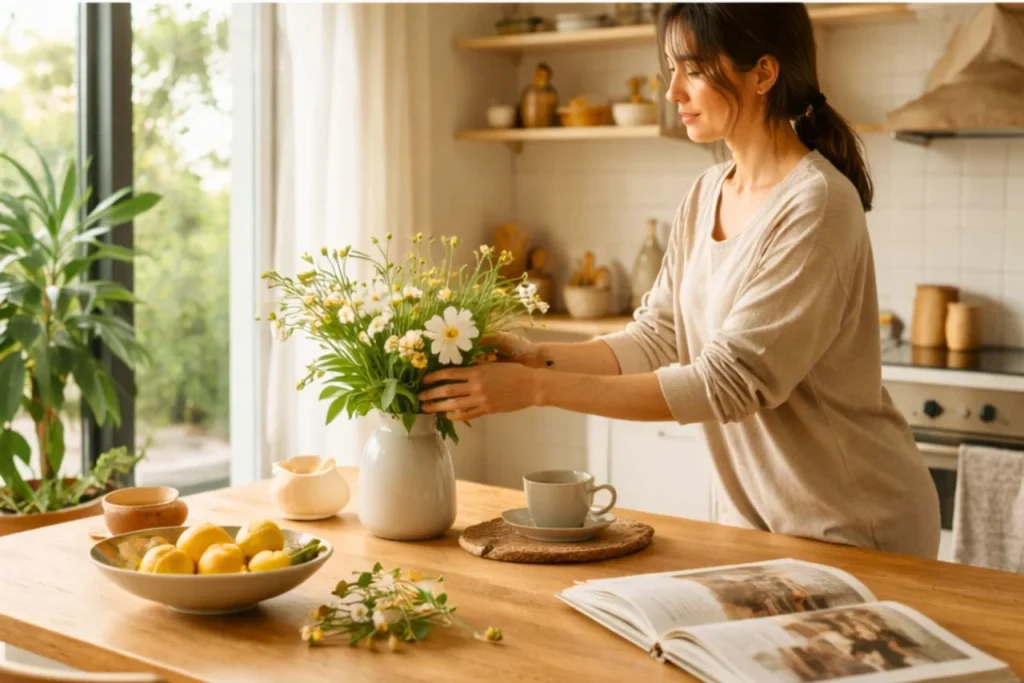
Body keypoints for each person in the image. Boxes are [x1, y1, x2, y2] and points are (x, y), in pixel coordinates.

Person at [418, 3, 941, 559]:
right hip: (759, 525)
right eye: (671, 69)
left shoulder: (818, 204)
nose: (672, 93)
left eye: (692, 70)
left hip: (854, 525)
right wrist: (532, 358)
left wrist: (539, 390)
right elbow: (658, 336)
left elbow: (727, 383)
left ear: (763, 73)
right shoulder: (708, 191)